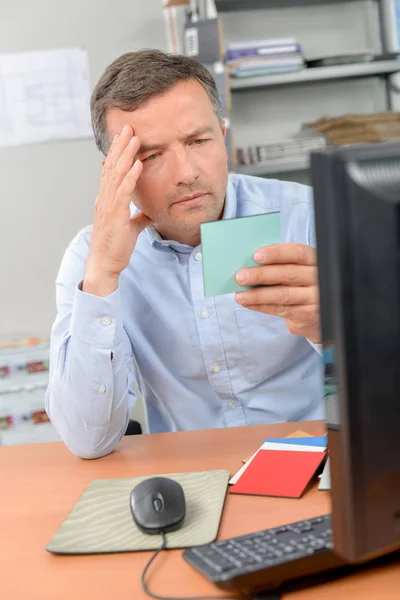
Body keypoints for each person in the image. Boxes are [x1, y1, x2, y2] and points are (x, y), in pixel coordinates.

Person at [45, 49, 324, 459]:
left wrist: (333, 329)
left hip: (317, 456)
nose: (186, 173)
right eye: (152, 155)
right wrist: (103, 275)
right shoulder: (91, 257)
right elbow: (89, 440)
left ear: (223, 134)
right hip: (194, 476)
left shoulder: (309, 218)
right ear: (116, 171)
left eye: (198, 141)